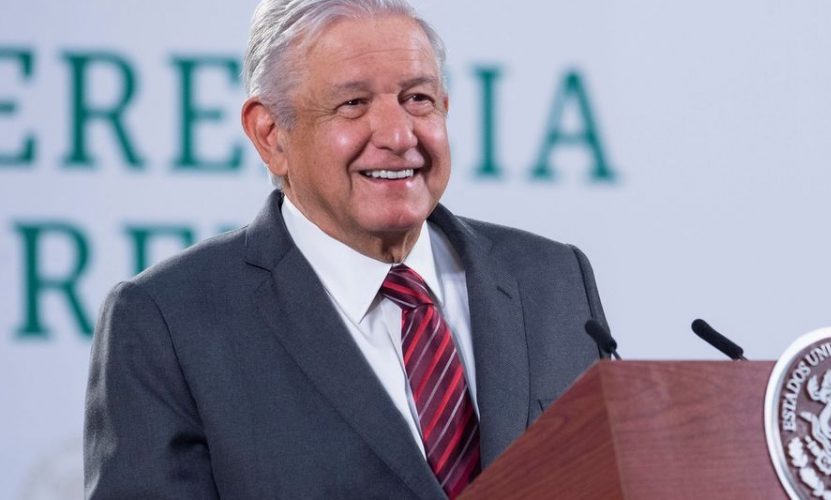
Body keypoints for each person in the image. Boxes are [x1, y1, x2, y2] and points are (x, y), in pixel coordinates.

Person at [83, 1, 607, 498]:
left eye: (417, 99)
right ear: (271, 134)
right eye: (353, 104)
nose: (398, 135)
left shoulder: (553, 279)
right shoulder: (168, 321)